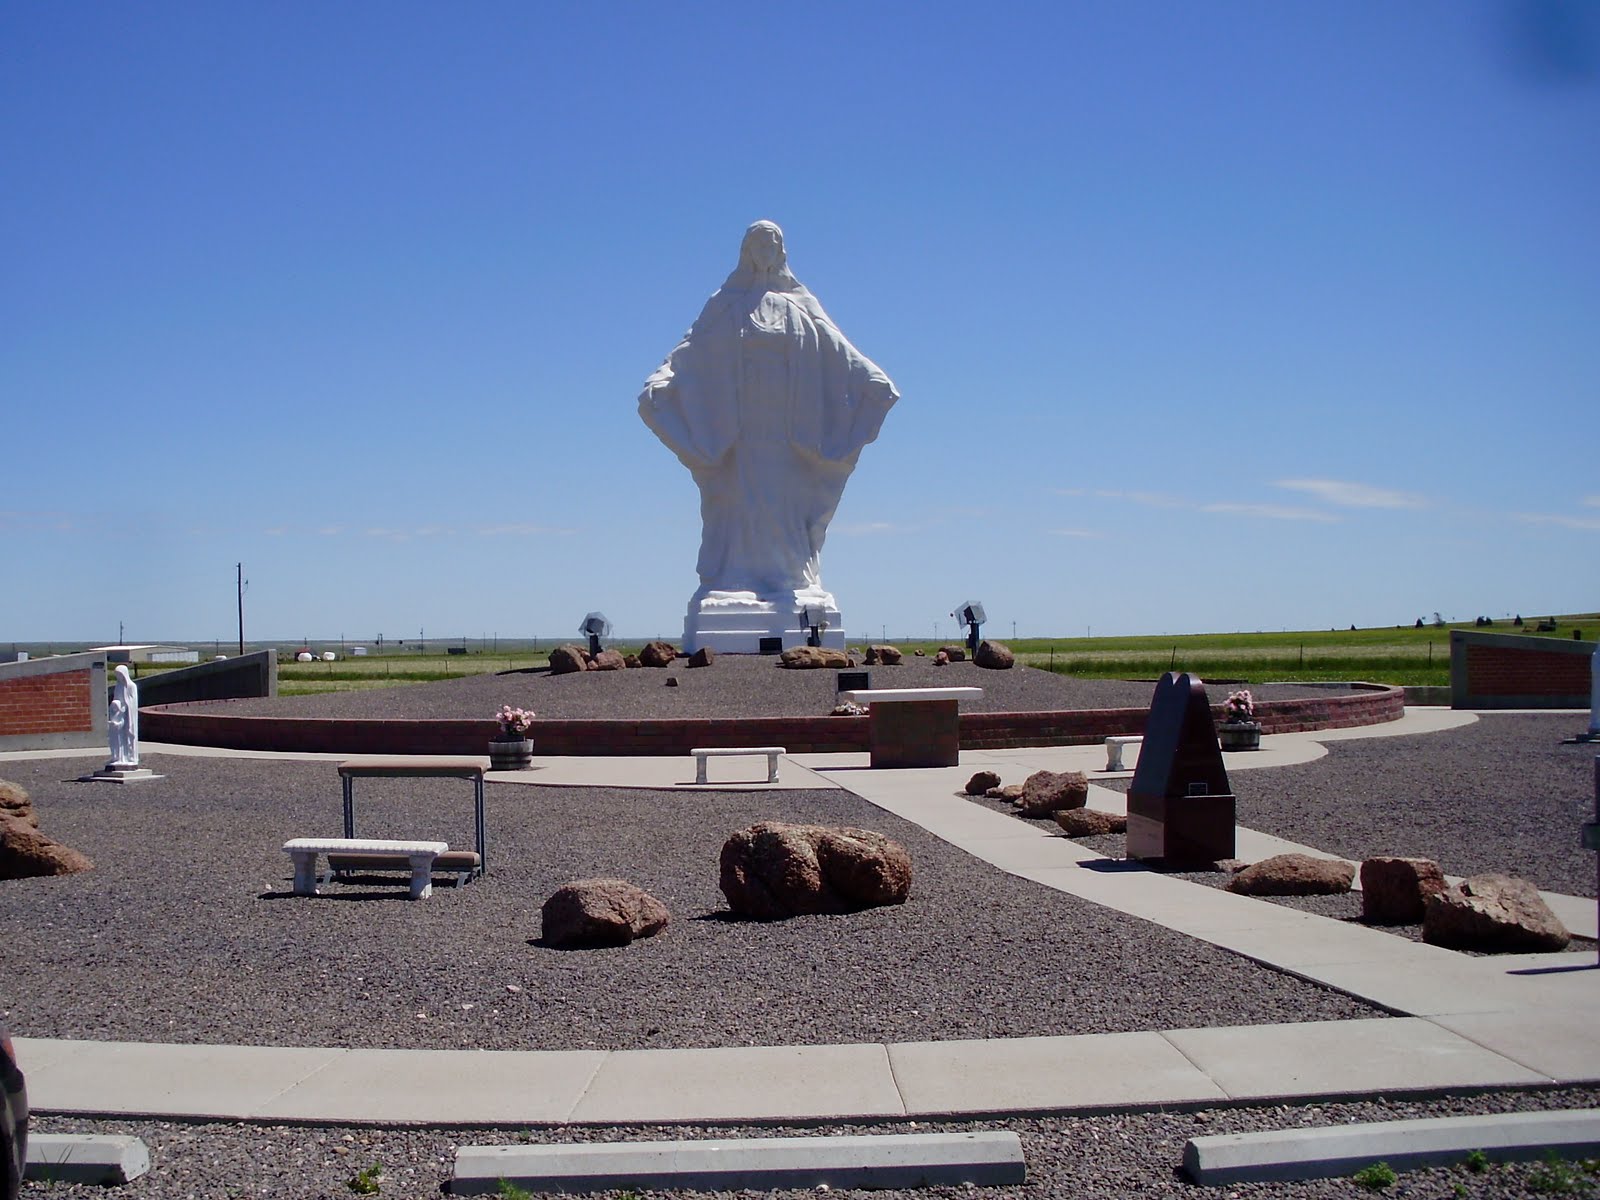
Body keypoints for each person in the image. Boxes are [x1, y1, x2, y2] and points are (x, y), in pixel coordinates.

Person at [639, 221, 899, 611]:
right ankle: (734, 576)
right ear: (746, 250)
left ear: (781, 251)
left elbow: (838, 348)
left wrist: (870, 378)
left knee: (784, 494)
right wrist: (666, 376)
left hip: (788, 422)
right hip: (741, 422)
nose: (764, 248)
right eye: (757, 242)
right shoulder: (727, 303)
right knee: (740, 494)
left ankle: (787, 577)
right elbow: (692, 347)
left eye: (771, 242)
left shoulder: (800, 303)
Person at [108, 664, 139, 767]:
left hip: (128, 716)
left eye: (119, 674)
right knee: (118, 737)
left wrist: (125, 707)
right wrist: (116, 707)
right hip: (119, 715)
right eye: (116, 675)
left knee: (128, 736)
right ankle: (119, 757)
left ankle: (130, 757)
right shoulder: (118, 686)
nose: (118, 677)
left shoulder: (131, 686)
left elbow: (133, 702)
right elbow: (116, 699)